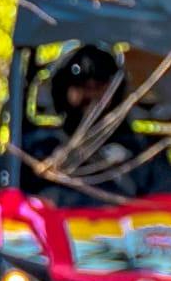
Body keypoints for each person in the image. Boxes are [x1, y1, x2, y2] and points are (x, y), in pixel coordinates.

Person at [22, 42, 160, 201]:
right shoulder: (38, 146)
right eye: (81, 86)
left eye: (99, 86)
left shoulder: (141, 151)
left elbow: (164, 204)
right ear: (62, 89)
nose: (92, 95)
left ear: (116, 92)